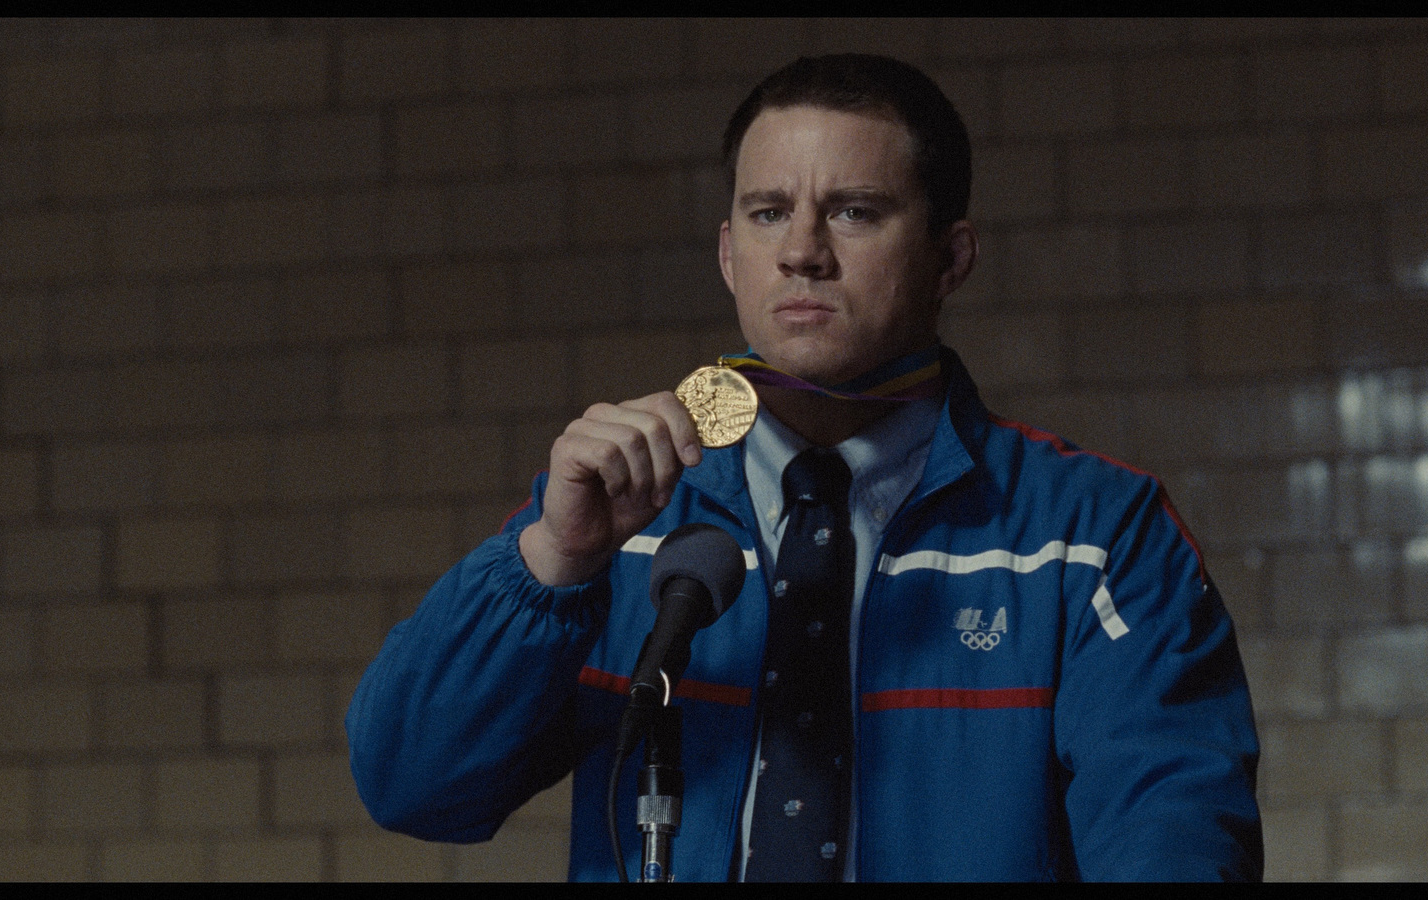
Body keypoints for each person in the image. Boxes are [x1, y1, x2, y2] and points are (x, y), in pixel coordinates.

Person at [347, 53, 1262, 882]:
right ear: (726, 254)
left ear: (952, 257)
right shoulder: (619, 521)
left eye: (855, 212)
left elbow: (1174, 840)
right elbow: (414, 788)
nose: (801, 251)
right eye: (769, 212)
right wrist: (552, 561)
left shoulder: (1093, 538)